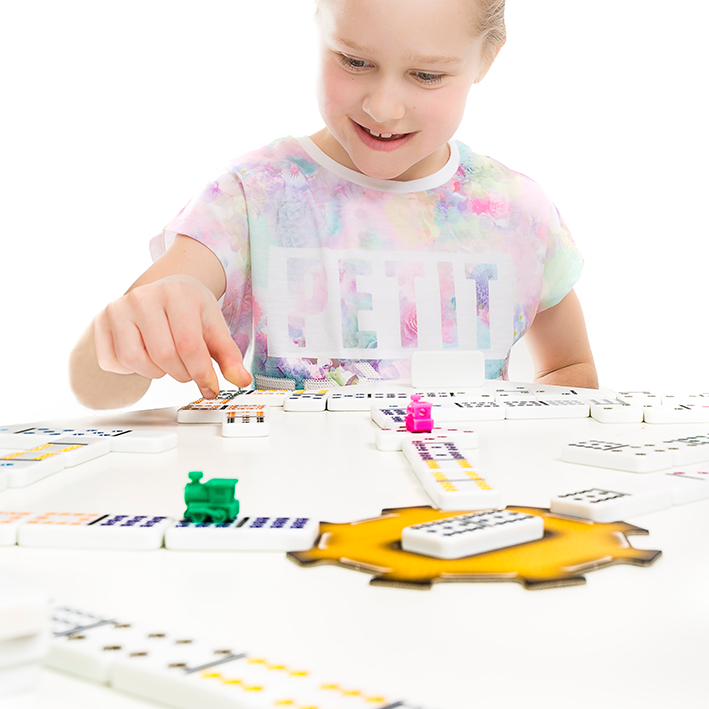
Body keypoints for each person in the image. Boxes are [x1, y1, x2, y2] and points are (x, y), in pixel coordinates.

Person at [70, 0, 598, 410]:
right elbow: (97, 384)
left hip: (460, 503)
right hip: (300, 501)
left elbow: (568, 370)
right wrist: (138, 327)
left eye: (426, 75)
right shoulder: (253, 196)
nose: (383, 107)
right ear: (319, 24)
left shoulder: (517, 212)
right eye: (354, 61)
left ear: (487, 58)